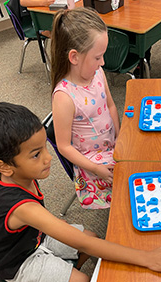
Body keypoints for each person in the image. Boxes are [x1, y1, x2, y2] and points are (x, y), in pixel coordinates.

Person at [0, 102, 161, 282]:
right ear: (5, 167)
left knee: (92, 237)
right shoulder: (22, 207)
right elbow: (84, 245)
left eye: (45, 147)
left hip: (33, 237)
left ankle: (65, 274)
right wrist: (147, 257)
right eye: (36, 155)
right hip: (18, 262)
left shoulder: (17, 174)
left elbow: (85, 241)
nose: (48, 158)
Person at [51, 8, 120, 209]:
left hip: (112, 145)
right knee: (133, 183)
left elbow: (110, 105)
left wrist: (120, 136)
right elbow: (64, 146)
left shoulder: (97, 73)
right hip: (91, 163)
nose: (103, 63)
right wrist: (96, 169)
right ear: (74, 57)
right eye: (98, 57)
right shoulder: (64, 97)